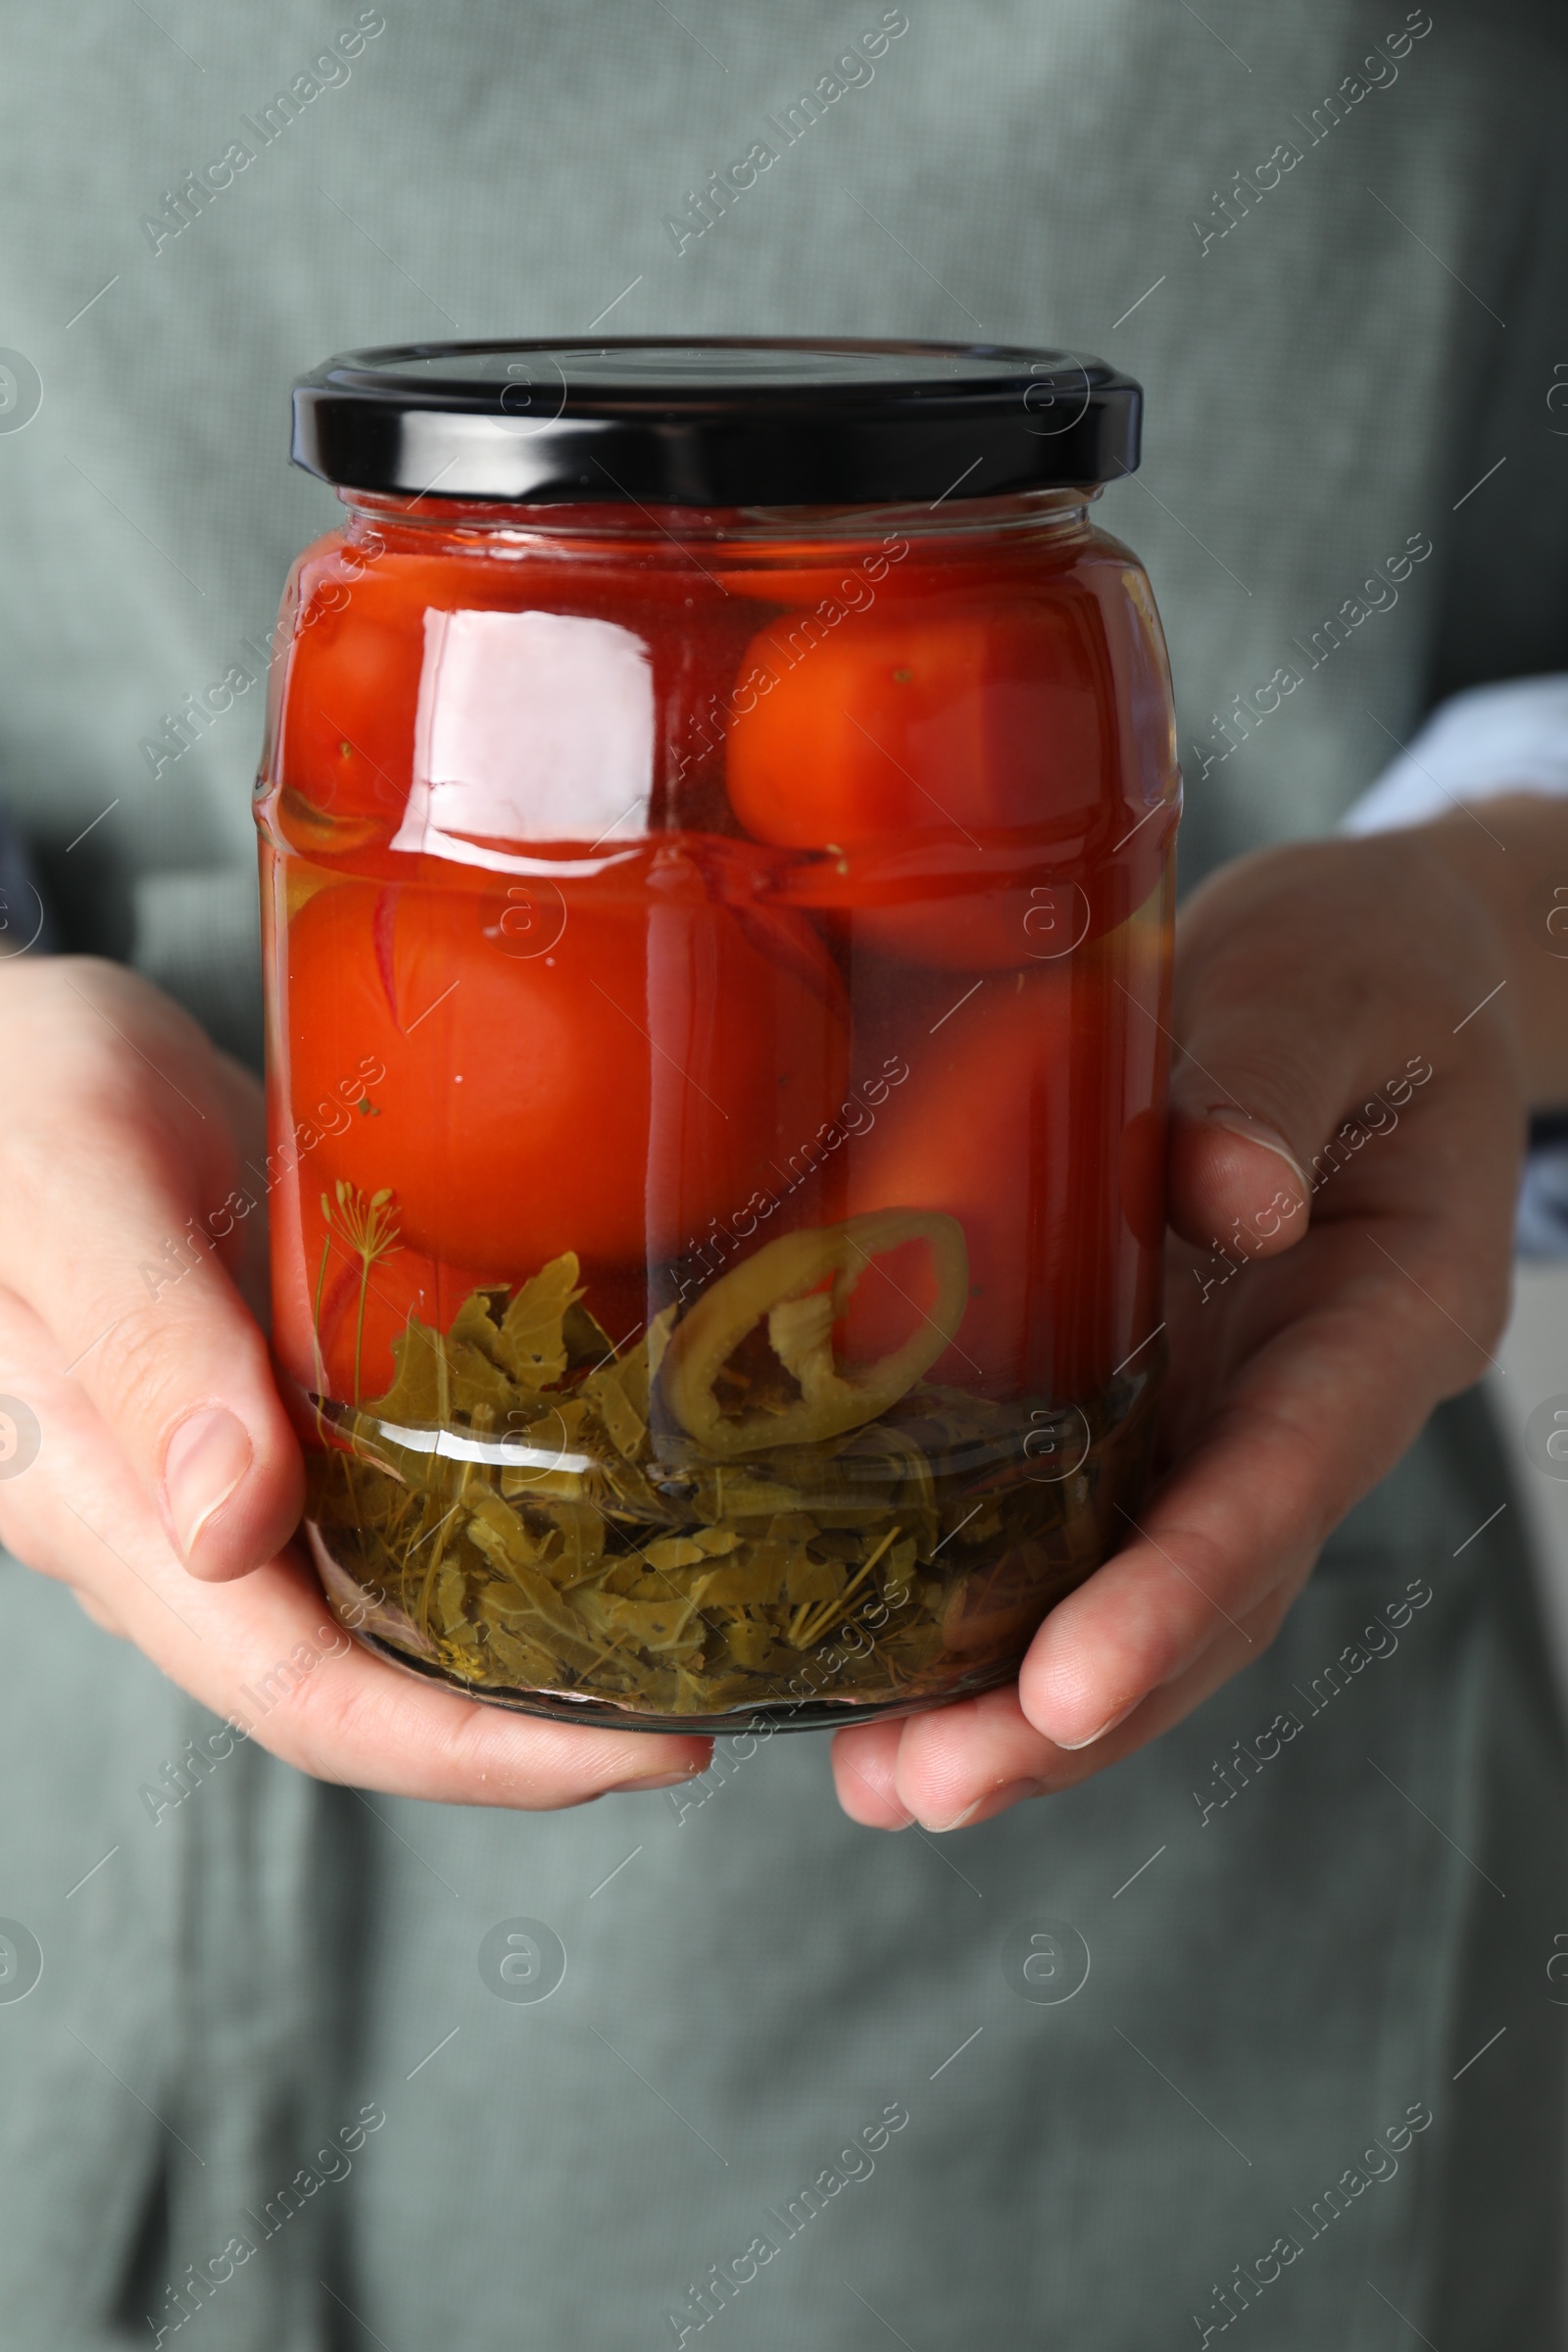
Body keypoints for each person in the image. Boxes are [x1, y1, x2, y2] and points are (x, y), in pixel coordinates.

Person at [0, 4, 1564, 2345]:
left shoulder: (1025, 613)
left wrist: (1488, 924)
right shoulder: (403, 602)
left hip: (1158, 1939)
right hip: (69, 1649)